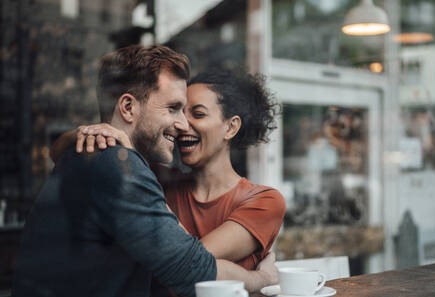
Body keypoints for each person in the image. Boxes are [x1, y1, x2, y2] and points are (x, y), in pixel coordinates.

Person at [9, 45, 278, 297]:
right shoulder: (115, 164)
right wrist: (263, 279)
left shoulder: (102, 157)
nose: (183, 124)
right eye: (174, 108)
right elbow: (192, 268)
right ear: (127, 107)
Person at [53, 69, 286, 271]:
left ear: (231, 127)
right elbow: (58, 153)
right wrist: (90, 132)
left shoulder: (265, 201)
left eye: (198, 113)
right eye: (179, 112)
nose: (182, 125)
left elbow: (191, 259)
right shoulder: (159, 179)